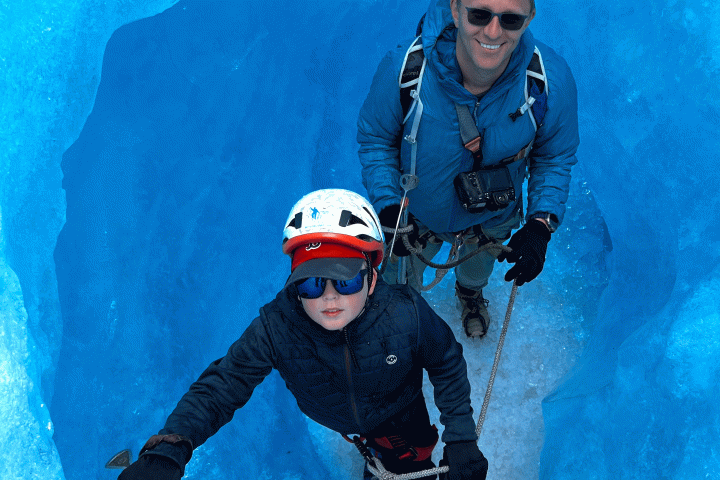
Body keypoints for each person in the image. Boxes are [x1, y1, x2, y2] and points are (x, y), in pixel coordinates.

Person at [117, 189, 488, 480]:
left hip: (399, 411)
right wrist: (171, 446)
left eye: (344, 279)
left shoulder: (405, 314)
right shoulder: (278, 327)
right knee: (378, 450)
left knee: (411, 458)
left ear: (372, 278)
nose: (329, 295)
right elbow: (225, 384)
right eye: (310, 283)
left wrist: (460, 436)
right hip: (344, 419)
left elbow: (446, 362)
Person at [357, 0, 579, 338]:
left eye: (510, 19)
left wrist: (540, 224)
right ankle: (402, 323)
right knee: (399, 284)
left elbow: (554, 157)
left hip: (490, 217)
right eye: (479, 14)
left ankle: (470, 294)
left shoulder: (547, 81)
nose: (493, 31)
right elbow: (376, 140)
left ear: (529, 18)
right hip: (415, 217)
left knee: (477, 270)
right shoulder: (406, 70)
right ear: (456, 10)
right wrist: (389, 209)